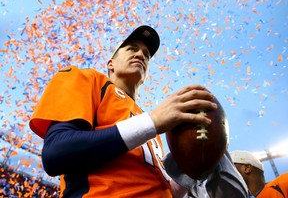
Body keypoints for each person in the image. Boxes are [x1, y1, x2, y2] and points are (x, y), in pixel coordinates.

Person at [30, 25, 249, 197]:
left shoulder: (153, 127)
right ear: (111, 63)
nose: (141, 55)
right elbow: (56, 153)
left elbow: (158, 190)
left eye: (146, 53)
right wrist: (152, 122)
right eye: (131, 49)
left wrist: (189, 171)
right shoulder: (86, 79)